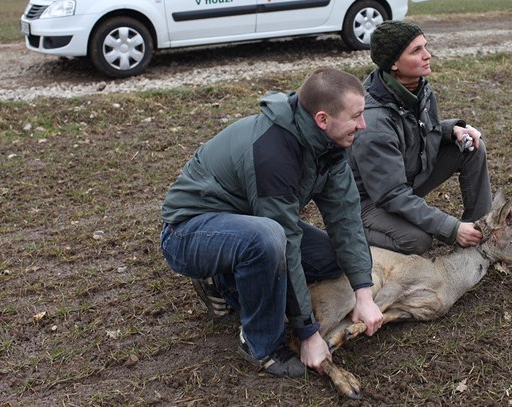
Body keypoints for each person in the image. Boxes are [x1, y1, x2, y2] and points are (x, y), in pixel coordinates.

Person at [160, 67, 383, 379]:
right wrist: (308, 334)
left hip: (245, 223)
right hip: (187, 233)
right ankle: (260, 343)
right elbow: (286, 241)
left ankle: (225, 282)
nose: (363, 124)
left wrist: (364, 292)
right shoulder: (273, 151)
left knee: (329, 259)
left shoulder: (329, 147)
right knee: (268, 238)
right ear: (322, 119)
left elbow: (346, 220)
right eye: (356, 115)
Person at [348, 20, 492, 255]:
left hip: (403, 180)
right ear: (394, 63)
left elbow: (417, 130)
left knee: (472, 148)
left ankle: (480, 235)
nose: (428, 55)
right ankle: (345, 236)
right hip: (367, 202)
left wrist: (451, 130)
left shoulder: (418, 88)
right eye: (416, 50)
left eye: (425, 46)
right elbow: (391, 194)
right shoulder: (373, 122)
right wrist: (452, 228)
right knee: (416, 240)